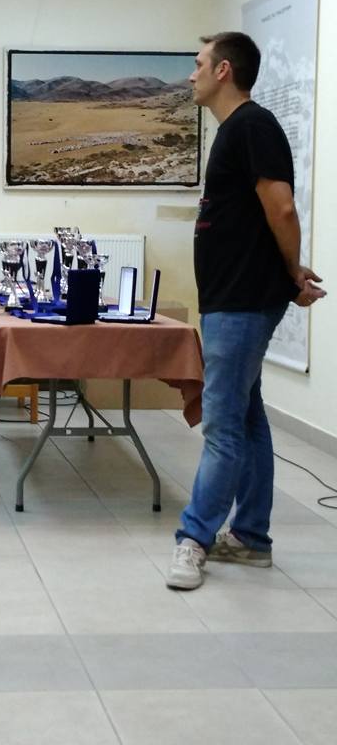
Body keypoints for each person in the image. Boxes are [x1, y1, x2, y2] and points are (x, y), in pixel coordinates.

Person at [166, 31, 326, 590]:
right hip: (232, 298)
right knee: (247, 416)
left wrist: (292, 271)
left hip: (242, 301)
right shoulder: (236, 129)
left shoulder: (253, 125)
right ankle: (252, 537)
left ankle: (195, 538)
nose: (191, 75)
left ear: (224, 70)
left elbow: (281, 208)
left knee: (223, 425)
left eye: (199, 64)